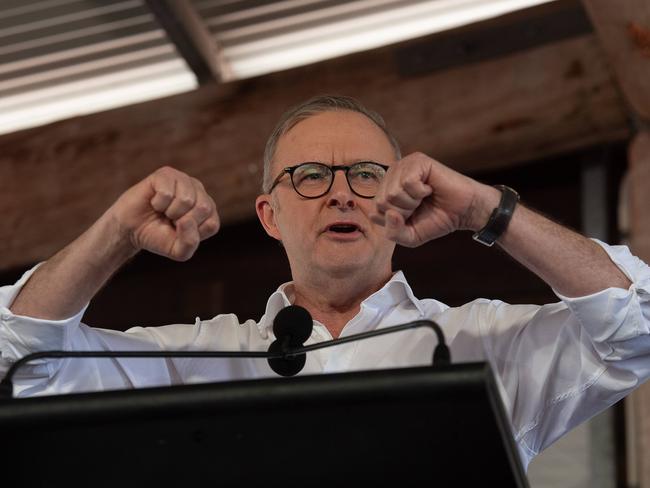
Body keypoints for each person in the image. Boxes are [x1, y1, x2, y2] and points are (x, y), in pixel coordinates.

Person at [1, 95, 649, 469]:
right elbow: (20, 363)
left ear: (403, 199)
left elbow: (640, 329)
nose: (340, 195)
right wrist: (115, 230)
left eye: (367, 174)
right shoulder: (193, 360)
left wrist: (491, 213)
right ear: (269, 215)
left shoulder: (481, 341)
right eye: (309, 176)